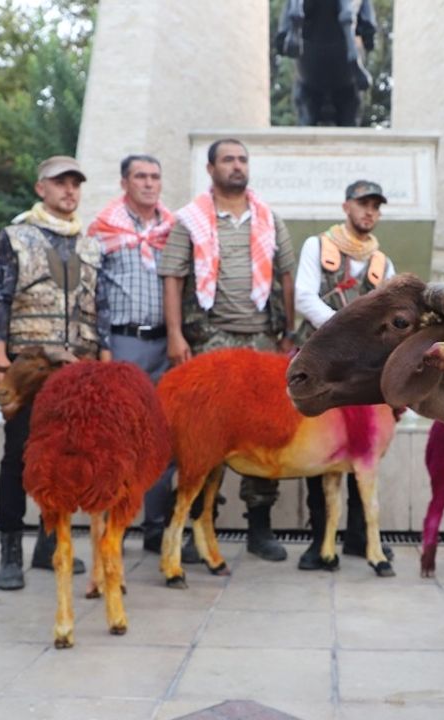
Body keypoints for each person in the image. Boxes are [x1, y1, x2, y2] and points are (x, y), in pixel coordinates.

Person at [159, 138, 297, 562]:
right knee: (204, 436)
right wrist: (176, 335)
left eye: (242, 160)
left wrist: (288, 333)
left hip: (261, 342)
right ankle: (198, 526)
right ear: (211, 168)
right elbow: (172, 278)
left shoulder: (269, 218)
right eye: (228, 160)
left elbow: (287, 276)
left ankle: (260, 529)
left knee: (264, 432)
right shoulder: (190, 220)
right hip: (209, 340)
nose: (236, 167)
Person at [0, 156, 101, 590]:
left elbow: (100, 308)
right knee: (18, 456)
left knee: (66, 457)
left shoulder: (90, 244)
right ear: (41, 189)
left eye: (75, 183)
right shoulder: (15, 237)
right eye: (60, 183)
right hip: (28, 365)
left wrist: (103, 362)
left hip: (77, 368)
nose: (69, 190)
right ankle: (9, 551)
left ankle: (49, 540)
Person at [86, 154, 198, 565]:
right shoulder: (103, 230)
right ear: (124, 182)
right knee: (119, 436)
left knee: (162, 436)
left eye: (155, 176)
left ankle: (156, 528)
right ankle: (113, 525)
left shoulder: (175, 230)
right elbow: (91, 292)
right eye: (140, 177)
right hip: (123, 343)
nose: (149, 184)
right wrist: (101, 347)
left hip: (167, 344)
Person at [293, 180, 396, 570]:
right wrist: (346, 331)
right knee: (319, 448)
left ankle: (358, 539)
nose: (369, 211)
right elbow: (304, 296)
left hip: (365, 373)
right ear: (346, 206)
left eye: (375, 206)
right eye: (362, 204)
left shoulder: (382, 263)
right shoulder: (317, 246)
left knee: (364, 449)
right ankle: (319, 539)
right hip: (322, 366)